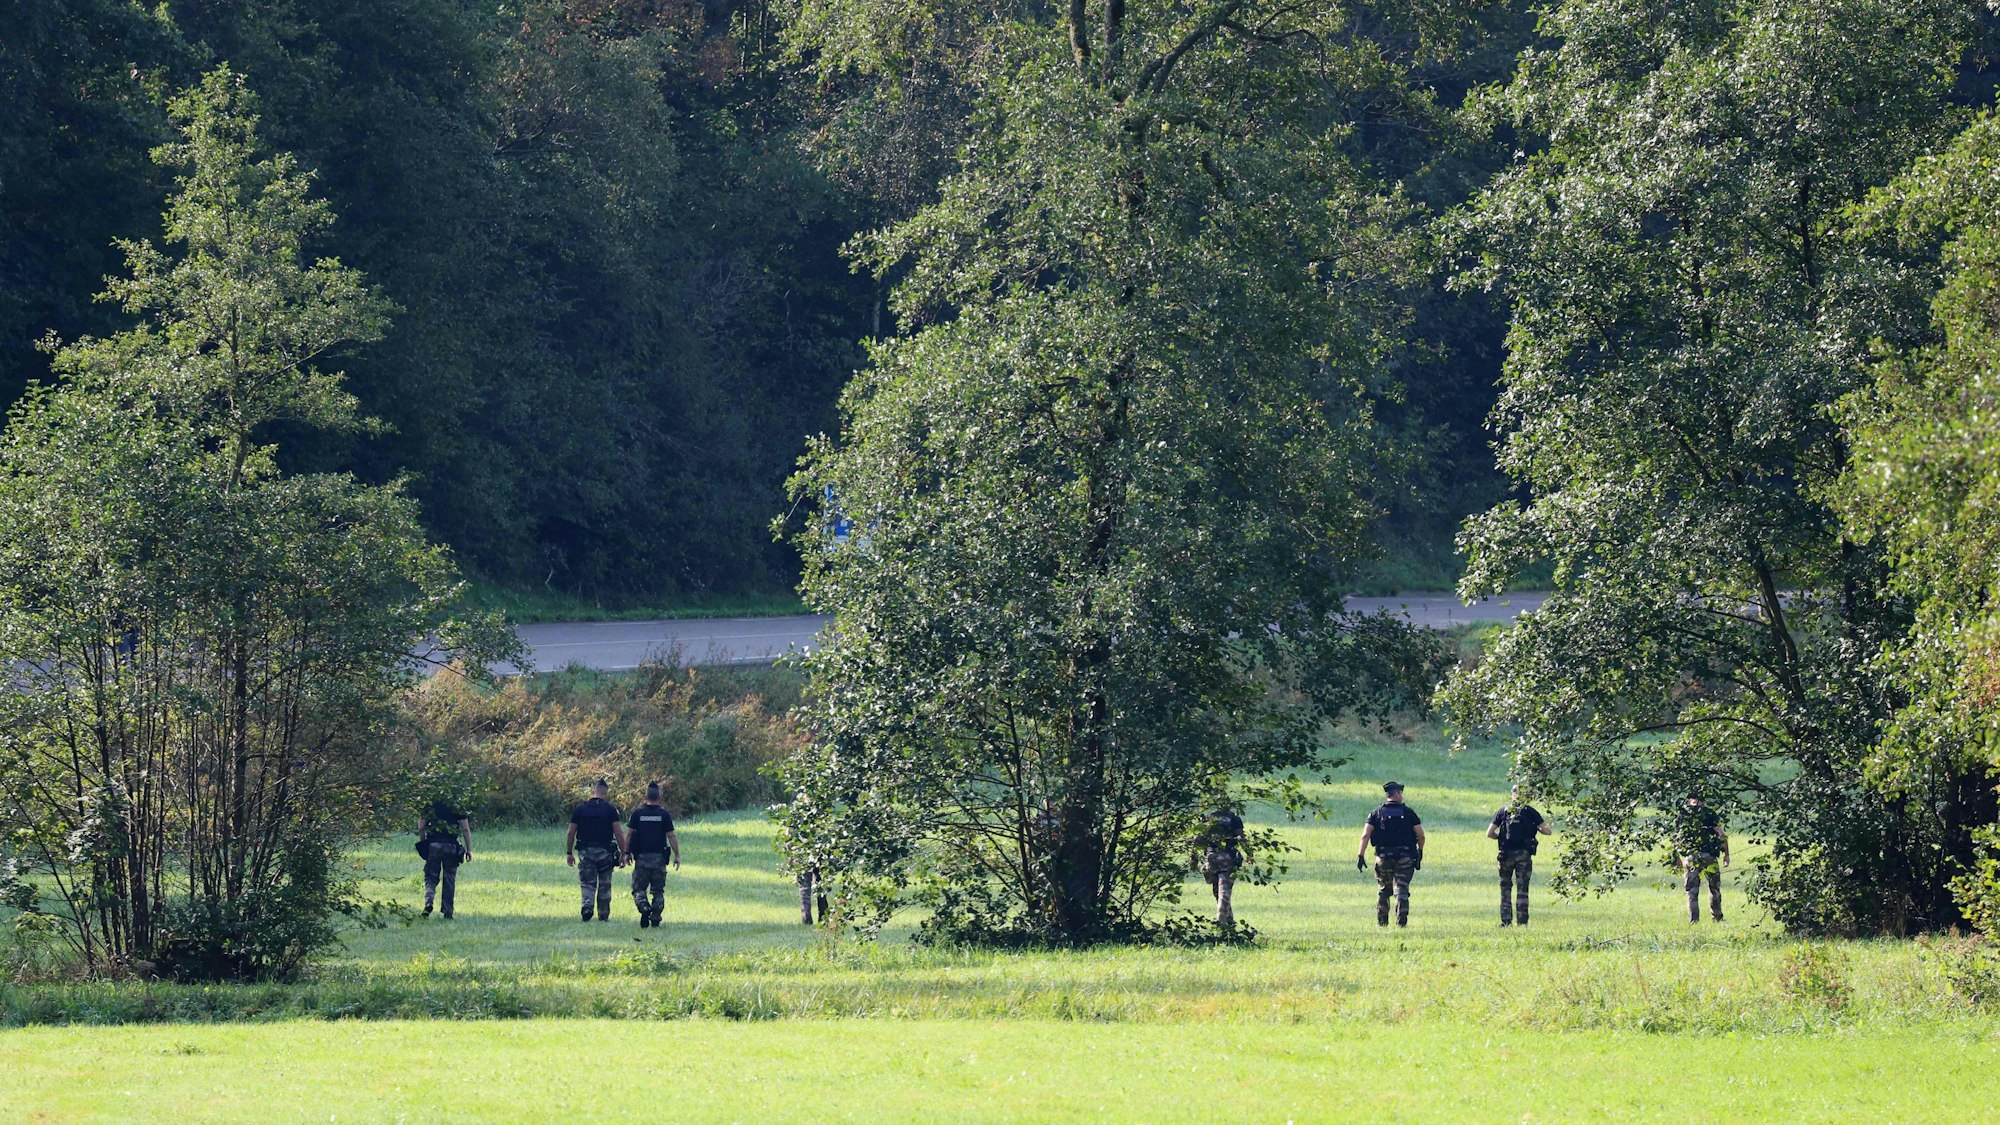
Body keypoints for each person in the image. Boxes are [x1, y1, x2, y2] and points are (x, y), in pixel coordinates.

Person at [1357, 781, 1425, 927]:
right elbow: (1420, 835)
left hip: (1383, 858)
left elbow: (1365, 835)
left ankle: (1382, 923)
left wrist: (1360, 855)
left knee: (1384, 890)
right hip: (1405, 858)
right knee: (1401, 890)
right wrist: (1420, 850)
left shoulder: (1376, 813)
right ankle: (1401, 922)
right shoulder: (1409, 813)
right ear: (1397, 794)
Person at [1487, 787, 1552, 927]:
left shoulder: (1503, 810)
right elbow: (1547, 831)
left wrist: (1501, 839)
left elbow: (1489, 833)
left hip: (1505, 855)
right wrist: (1537, 829)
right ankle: (1522, 922)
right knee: (1523, 888)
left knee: (1505, 888)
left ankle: (1505, 921)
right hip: (1524, 855)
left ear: (1512, 794)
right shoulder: (1530, 811)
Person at [565, 779, 627, 922]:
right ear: (606, 794)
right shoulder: (610, 809)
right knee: (605, 883)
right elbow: (618, 833)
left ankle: (587, 906)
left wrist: (569, 853)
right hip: (605, 852)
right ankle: (603, 914)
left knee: (587, 881)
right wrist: (624, 853)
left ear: (594, 791)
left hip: (586, 851)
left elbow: (570, 833)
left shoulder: (581, 808)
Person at [624, 782, 680, 929]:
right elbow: (671, 836)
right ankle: (655, 916)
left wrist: (626, 852)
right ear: (659, 797)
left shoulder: (638, 813)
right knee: (658, 891)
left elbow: (629, 835)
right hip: (659, 859)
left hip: (641, 858)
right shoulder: (664, 814)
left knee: (638, 889)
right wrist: (677, 855)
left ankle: (644, 907)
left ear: (645, 796)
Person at [1193, 806, 1252, 929]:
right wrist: (1249, 854)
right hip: (1228, 859)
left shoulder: (1208, 818)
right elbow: (1241, 838)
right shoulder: (1234, 819)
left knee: (1217, 892)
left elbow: (1197, 839)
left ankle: (1230, 924)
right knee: (1224, 893)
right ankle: (1221, 921)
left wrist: (1193, 858)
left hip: (1211, 859)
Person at [1673, 795, 1729, 923]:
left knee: (1692, 891)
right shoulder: (1710, 814)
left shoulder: (1683, 815)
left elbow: (1676, 837)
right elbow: (1721, 835)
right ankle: (1717, 917)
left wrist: (1676, 857)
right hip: (1710, 856)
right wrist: (1726, 855)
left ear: (1688, 800)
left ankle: (1694, 921)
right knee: (1714, 889)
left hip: (1691, 857)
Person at [417, 800, 472, 919]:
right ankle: (448, 912)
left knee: (431, 876)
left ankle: (429, 901)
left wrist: (423, 843)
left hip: (433, 845)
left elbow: (421, 827)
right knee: (449, 879)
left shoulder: (429, 802)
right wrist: (469, 850)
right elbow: (466, 830)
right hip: (451, 846)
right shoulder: (457, 803)